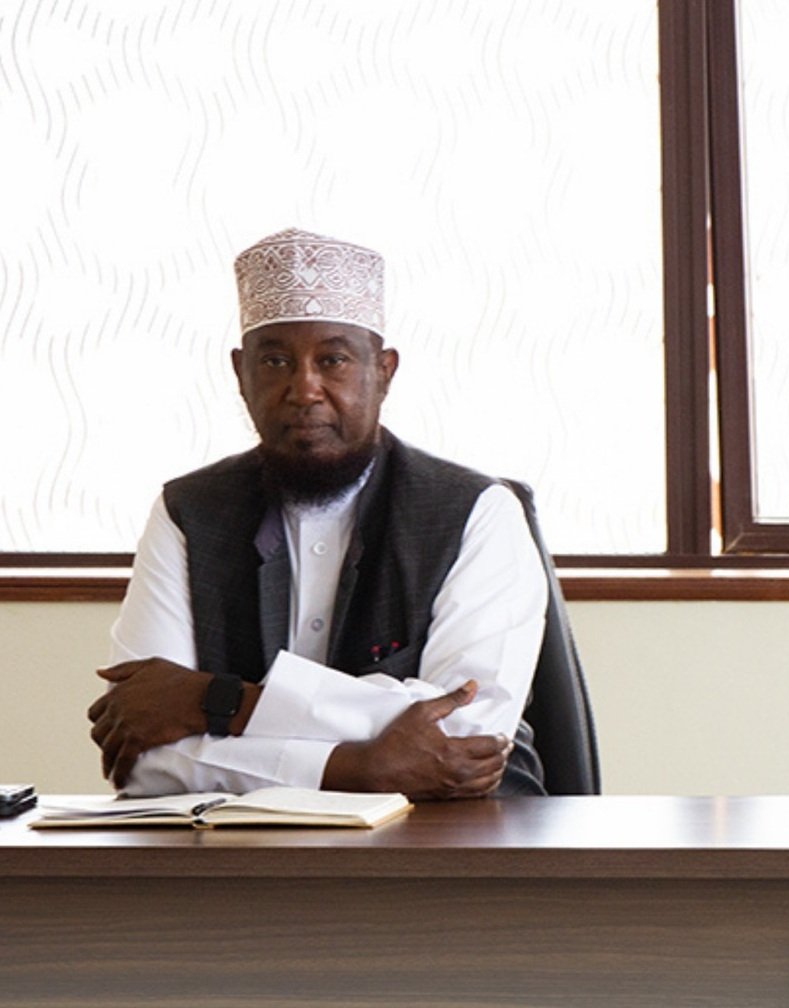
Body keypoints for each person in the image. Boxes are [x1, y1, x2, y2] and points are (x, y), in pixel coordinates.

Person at [88, 228, 550, 799]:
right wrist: (358, 769)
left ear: (383, 371)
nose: (304, 388)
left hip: (452, 846)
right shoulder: (187, 511)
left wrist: (216, 702)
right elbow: (143, 755)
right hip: (245, 863)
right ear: (241, 373)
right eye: (276, 360)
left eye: (333, 360)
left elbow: (462, 736)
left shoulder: (475, 512)